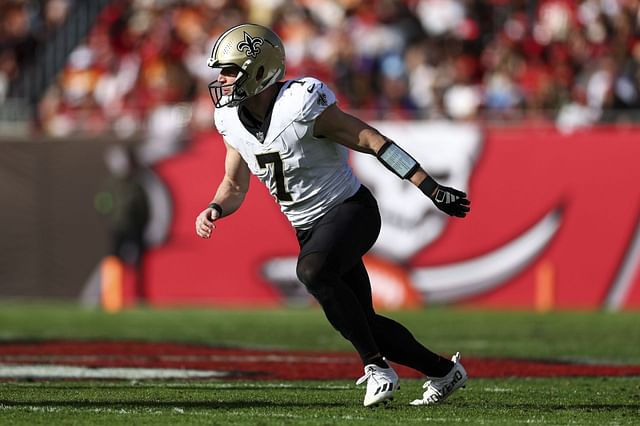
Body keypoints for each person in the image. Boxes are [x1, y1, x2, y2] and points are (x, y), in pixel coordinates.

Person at [195, 23, 470, 407]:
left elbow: (372, 141)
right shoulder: (230, 121)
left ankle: (376, 368)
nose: (221, 80)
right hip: (309, 230)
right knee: (363, 321)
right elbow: (234, 184)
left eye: (229, 70)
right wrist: (214, 208)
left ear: (259, 70)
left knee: (312, 272)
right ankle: (444, 372)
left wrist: (430, 187)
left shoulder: (301, 104)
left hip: (350, 211)